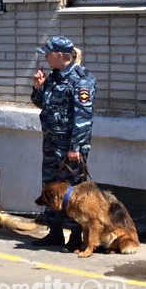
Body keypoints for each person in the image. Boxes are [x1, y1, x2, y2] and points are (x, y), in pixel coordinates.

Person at [31, 36, 96, 250]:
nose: (46, 58)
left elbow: (83, 116)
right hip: (51, 145)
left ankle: (76, 237)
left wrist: (75, 147)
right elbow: (45, 105)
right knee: (50, 188)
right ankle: (55, 233)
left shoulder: (81, 80)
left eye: (48, 54)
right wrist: (39, 88)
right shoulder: (54, 77)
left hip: (70, 149)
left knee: (74, 192)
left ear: (60, 55)